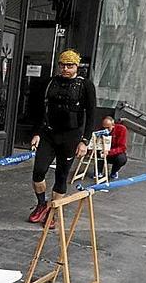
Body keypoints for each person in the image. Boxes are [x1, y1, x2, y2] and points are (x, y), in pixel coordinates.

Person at [28, 49, 96, 225]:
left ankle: (53, 211)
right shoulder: (50, 83)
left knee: (61, 174)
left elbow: (92, 114)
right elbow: (40, 109)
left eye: (70, 66)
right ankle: (42, 204)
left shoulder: (85, 85)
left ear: (77, 66)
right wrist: (36, 132)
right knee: (39, 171)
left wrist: (85, 141)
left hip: (71, 136)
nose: (66, 69)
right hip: (49, 133)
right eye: (63, 65)